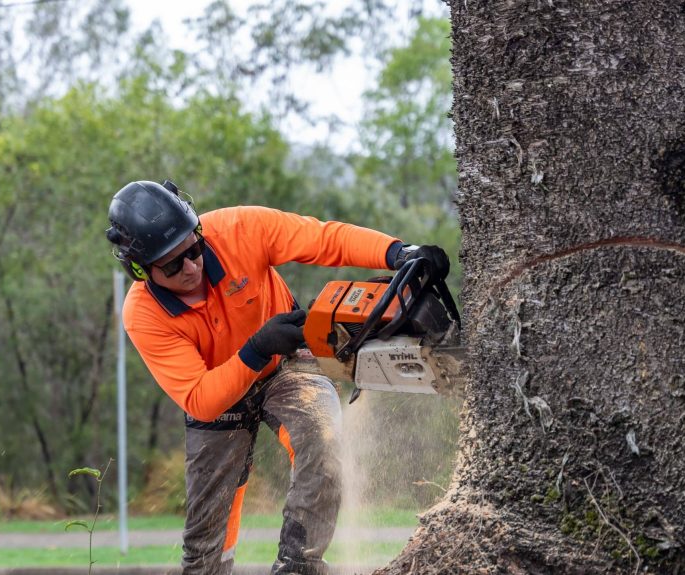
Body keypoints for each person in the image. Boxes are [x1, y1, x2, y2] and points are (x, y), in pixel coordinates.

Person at [105, 180, 449, 575]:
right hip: (217, 392)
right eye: (172, 264)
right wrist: (255, 348)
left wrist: (397, 252)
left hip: (287, 364)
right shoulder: (143, 315)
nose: (191, 266)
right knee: (204, 546)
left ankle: (298, 565)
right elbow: (201, 398)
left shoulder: (239, 229)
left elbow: (322, 239)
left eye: (194, 249)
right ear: (139, 268)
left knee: (324, 440)